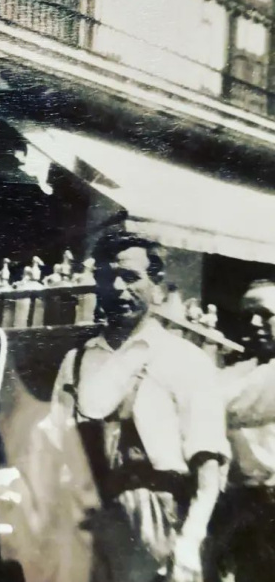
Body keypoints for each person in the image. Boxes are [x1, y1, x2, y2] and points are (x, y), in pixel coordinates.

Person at [46, 229, 229, 582]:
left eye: (130, 277)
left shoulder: (185, 359)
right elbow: (54, 454)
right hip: (88, 527)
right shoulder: (77, 361)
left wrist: (190, 542)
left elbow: (208, 469)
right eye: (107, 277)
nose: (117, 288)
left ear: (156, 285)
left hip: (157, 527)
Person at [210, 279, 275, 582]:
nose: (254, 323)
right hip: (241, 501)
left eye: (265, 314)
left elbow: (224, 406)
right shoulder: (236, 373)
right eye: (247, 315)